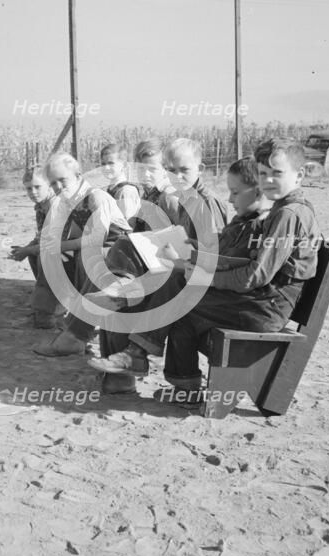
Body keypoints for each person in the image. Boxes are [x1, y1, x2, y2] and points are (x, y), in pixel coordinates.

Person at [97, 138, 321, 403]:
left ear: (300, 174)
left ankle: (137, 351)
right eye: (263, 174)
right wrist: (194, 257)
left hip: (265, 308)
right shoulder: (281, 211)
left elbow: (254, 275)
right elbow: (242, 262)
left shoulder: (288, 215)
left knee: (179, 288)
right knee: (180, 302)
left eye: (277, 174)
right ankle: (184, 388)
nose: (268, 180)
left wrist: (203, 276)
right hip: (261, 301)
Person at [34, 137, 230, 361]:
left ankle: (80, 339)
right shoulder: (183, 197)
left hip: (191, 281)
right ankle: (92, 348)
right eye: (170, 169)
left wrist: (170, 253)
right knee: (115, 266)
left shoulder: (201, 202)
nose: (176, 175)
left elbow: (214, 258)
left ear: (201, 168)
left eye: (183, 169)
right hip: (176, 268)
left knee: (114, 274)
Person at [89, 155, 272, 392]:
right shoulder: (240, 219)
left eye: (235, 193)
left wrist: (187, 261)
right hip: (214, 286)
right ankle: (123, 297)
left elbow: (241, 267)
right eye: (170, 169)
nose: (230, 198)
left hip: (237, 301)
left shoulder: (250, 221)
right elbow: (218, 252)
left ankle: (133, 346)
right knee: (131, 251)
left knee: (169, 280)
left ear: (258, 191)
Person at [31, 151, 132, 350]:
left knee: (87, 258)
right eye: (53, 183)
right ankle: (50, 312)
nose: (58, 187)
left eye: (62, 180)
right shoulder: (72, 201)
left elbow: (97, 238)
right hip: (98, 247)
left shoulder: (96, 197)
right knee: (57, 258)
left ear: (78, 176)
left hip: (120, 251)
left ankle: (83, 327)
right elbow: (78, 234)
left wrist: (62, 246)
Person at [9, 165, 57, 328]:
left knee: (44, 258)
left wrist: (27, 249)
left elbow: (51, 242)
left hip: (72, 248)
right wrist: (26, 248)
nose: (33, 192)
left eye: (37, 187)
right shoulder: (40, 207)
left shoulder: (55, 205)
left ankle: (47, 312)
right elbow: (41, 236)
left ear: (49, 184)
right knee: (34, 254)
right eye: (29, 189)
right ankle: (48, 304)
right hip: (57, 245)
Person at [99, 144, 141, 226]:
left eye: (111, 163)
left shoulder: (126, 191)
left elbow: (128, 226)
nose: (106, 168)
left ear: (124, 165)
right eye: (103, 164)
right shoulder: (110, 189)